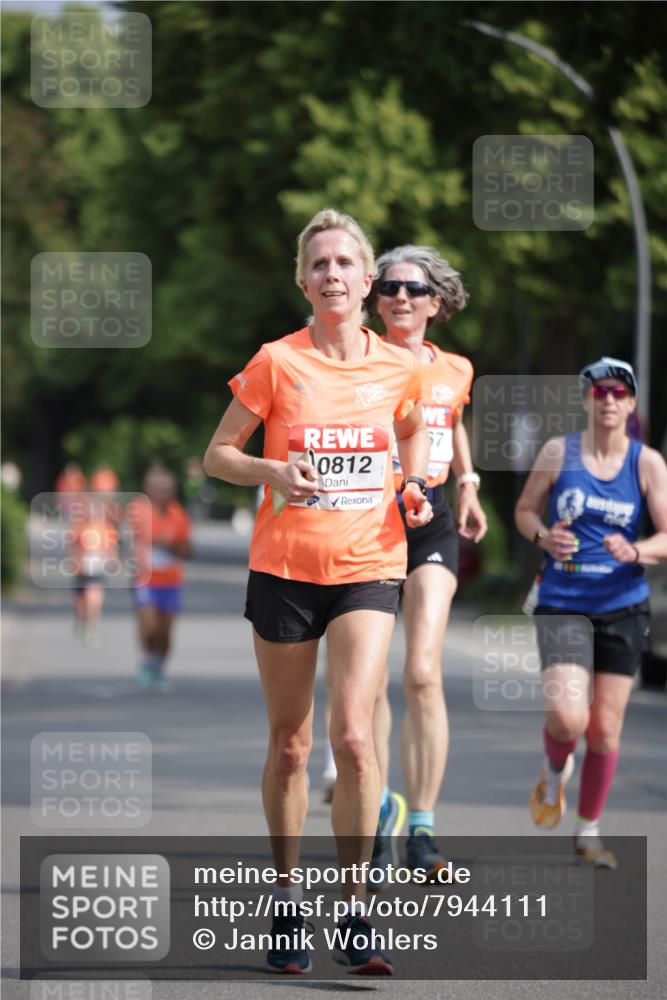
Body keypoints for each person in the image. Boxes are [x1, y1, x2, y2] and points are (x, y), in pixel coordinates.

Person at [203, 208, 432, 976]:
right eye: (319, 264)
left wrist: (414, 486)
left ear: (368, 282)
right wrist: (269, 470)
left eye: (345, 264)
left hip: (370, 563)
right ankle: (286, 897)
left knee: (356, 736)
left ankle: (358, 909)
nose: (332, 275)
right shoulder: (276, 361)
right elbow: (217, 454)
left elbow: (408, 438)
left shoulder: (399, 367)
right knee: (292, 746)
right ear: (303, 281)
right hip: (284, 569)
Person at [515, 357, 667, 867]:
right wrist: (543, 536)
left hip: (623, 606)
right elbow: (524, 510)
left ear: (631, 403)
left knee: (603, 729)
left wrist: (638, 551)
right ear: (585, 400)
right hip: (563, 602)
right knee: (567, 718)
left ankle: (588, 830)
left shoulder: (646, 463)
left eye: (618, 393)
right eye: (598, 392)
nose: (608, 401)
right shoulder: (560, 452)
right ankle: (555, 771)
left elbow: (666, 535)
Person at [366, 245, 487, 883]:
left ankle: (423, 828)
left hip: (432, 515)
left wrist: (467, 483)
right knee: (374, 678)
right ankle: (379, 805)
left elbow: (449, 422)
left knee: (422, 671)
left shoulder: (456, 369)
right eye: (388, 287)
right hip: (372, 518)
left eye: (414, 288)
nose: (400, 297)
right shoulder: (363, 360)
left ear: (435, 303)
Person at [130, 468, 192, 691]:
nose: (162, 493)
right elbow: (130, 540)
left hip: (171, 581)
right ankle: (147, 660)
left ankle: (159, 667)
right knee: (149, 626)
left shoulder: (179, 514)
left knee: (165, 632)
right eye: (157, 489)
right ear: (148, 490)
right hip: (146, 579)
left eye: (166, 489)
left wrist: (173, 547)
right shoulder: (139, 510)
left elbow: (188, 550)